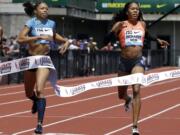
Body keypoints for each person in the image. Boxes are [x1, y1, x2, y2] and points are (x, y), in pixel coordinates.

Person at [107, 1, 169, 135]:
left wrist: (157, 40)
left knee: (136, 89)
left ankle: (134, 127)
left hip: (137, 62)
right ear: (127, 11)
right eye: (132, 9)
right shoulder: (120, 24)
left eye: (137, 9)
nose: (135, 11)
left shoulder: (142, 24)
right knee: (120, 95)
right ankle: (127, 99)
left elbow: (147, 35)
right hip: (124, 63)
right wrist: (114, 29)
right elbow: (104, 41)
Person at [17, 1, 69, 134]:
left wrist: (66, 41)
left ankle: (39, 124)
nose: (45, 10)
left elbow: (53, 36)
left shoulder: (51, 23)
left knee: (40, 90)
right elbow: (20, 39)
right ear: (36, 11)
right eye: (42, 8)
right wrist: (38, 36)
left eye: (47, 8)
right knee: (29, 93)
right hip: (31, 59)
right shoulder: (31, 23)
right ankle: (35, 101)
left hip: (44, 59)